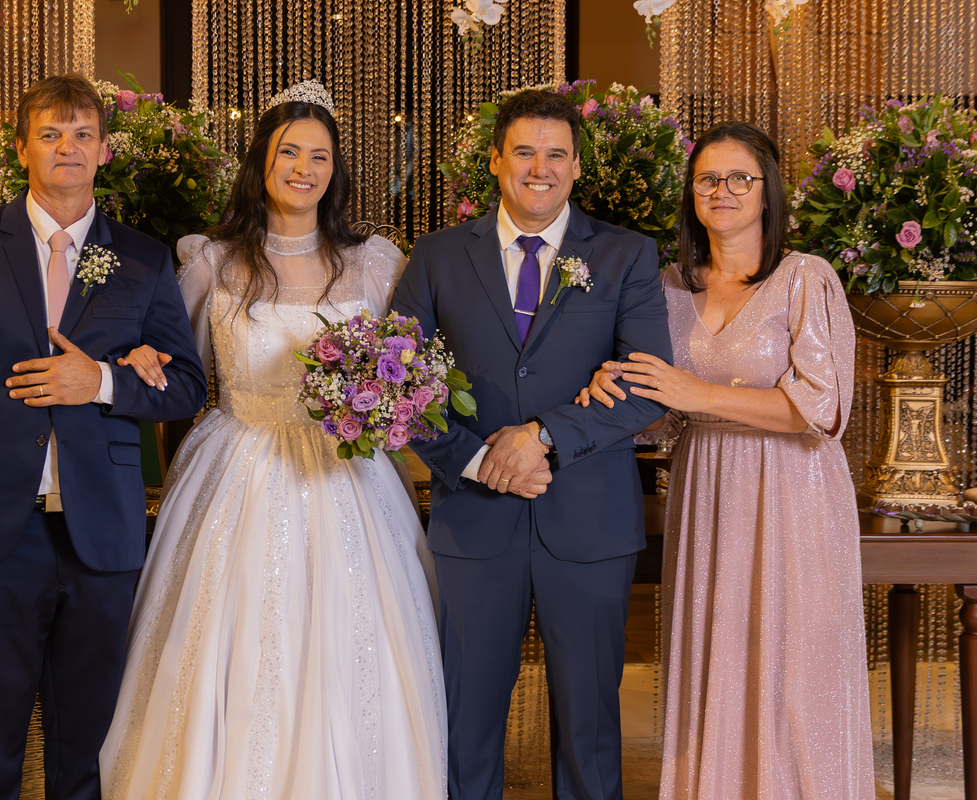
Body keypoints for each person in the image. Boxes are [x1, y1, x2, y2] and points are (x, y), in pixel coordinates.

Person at [97, 80, 447, 799]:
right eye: (289, 151)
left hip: (349, 475)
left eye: (320, 155)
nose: (303, 168)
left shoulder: (374, 263)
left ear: (335, 169)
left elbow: (409, 363)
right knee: (237, 636)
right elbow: (175, 363)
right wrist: (141, 356)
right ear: (262, 160)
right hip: (239, 463)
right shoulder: (213, 259)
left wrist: (391, 403)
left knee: (355, 639)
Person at [0, 74, 207, 800]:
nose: (68, 148)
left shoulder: (145, 258)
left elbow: (187, 387)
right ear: (22, 147)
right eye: (52, 134)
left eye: (83, 134)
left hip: (104, 534)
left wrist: (102, 382)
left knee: (87, 753)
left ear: (105, 150)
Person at [389, 88, 672, 800]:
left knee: (590, 729)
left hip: (590, 521)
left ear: (576, 166)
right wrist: (481, 460)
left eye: (555, 154)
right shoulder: (437, 256)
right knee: (466, 723)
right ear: (495, 161)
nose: (539, 168)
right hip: (474, 519)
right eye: (524, 151)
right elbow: (399, 383)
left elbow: (647, 388)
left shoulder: (627, 256)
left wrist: (542, 437)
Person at [580, 121, 874, 799]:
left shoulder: (805, 277)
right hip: (705, 483)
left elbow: (822, 407)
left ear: (768, 191)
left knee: (794, 664)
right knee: (718, 652)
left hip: (793, 491)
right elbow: (661, 411)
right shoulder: (667, 285)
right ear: (690, 192)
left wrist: (698, 393)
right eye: (708, 178)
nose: (723, 190)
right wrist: (611, 388)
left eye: (741, 177)